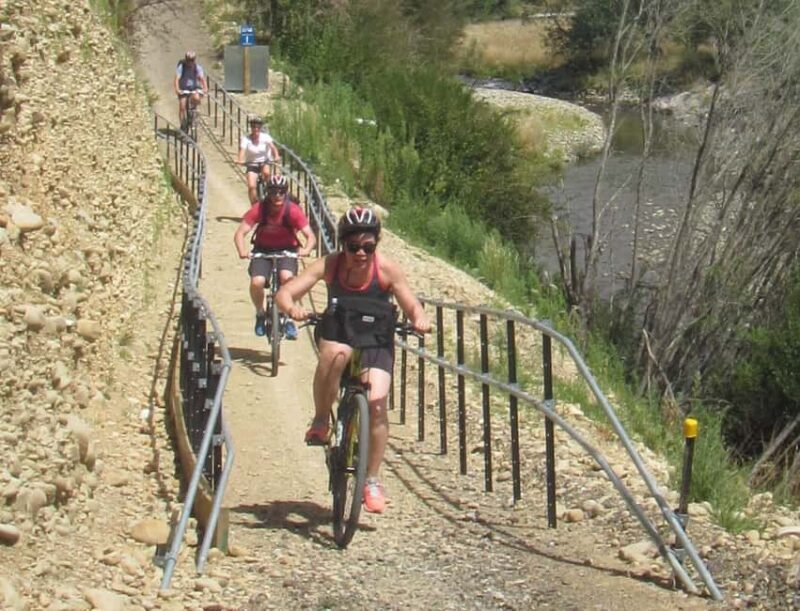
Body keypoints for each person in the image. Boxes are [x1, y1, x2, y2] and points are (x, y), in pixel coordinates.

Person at [275, 206, 431, 514]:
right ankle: (321, 419)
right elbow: (288, 291)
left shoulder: (386, 269)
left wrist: (420, 318)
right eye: (353, 247)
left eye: (368, 247)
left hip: (376, 336)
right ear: (341, 244)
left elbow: (410, 302)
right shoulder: (330, 265)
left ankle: (371, 479)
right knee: (336, 355)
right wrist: (290, 307)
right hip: (340, 329)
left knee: (376, 402)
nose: (361, 253)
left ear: (376, 244)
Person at [234, 175, 317, 340]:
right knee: (257, 281)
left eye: (281, 192)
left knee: (288, 278)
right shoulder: (260, 209)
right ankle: (260, 313)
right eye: (273, 192)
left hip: (287, 250)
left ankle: (288, 316)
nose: (277, 195)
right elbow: (240, 233)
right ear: (267, 193)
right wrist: (242, 250)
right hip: (262, 250)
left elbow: (310, 236)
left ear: (285, 193)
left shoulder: (292, 210)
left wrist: (306, 249)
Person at [236, 115, 281, 205]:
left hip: (264, 161)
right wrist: (239, 160)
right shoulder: (246, 139)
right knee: (251, 186)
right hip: (251, 163)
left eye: (257, 127)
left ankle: (269, 190)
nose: (255, 129)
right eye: (253, 127)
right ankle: (254, 205)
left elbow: (273, 147)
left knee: (266, 173)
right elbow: (242, 150)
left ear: (260, 128)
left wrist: (276, 156)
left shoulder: (265, 137)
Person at [174, 50, 208, 128]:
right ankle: (182, 124)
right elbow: (176, 79)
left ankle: (193, 114)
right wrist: (177, 89)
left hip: (194, 88)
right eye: (188, 60)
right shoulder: (182, 67)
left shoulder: (197, 67)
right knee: (182, 106)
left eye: (192, 60)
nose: (190, 62)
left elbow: (202, 79)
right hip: (184, 88)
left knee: (196, 98)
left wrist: (205, 88)